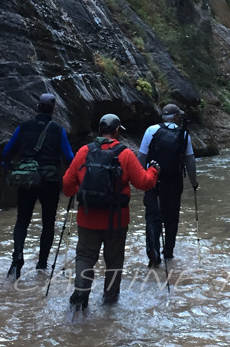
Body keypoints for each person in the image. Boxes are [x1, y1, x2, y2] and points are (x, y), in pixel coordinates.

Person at [62, 113, 159, 310]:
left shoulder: (83, 152)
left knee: (85, 255)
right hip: (116, 220)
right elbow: (144, 183)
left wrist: (77, 193)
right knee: (114, 260)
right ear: (116, 131)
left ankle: (81, 292)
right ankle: (109, 303)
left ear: (100, 130)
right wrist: (154, 171)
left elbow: (67, 184)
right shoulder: (125, 154)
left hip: (87, 216)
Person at [2, 93, 74, 277]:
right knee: (48, 223)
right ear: (53, 110)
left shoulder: (23, 127)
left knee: (22, 221)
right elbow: (69, 158)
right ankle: (41, 265)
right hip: (49, 181)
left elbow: (7, 152)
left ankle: (17, 256)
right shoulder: (58, 131)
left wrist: (8, 165)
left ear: (37, 107)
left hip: (27, 180)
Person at [138, 104, 198, 267]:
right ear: (176, 116)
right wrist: (194, 182)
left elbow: (142, 157)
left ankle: (153, 254)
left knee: (152, 217)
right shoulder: (183, 134)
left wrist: (139, 179)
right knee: (171, 219)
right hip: (174, 182)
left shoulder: (151, 130)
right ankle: (169, 254)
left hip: (153, 180)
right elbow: (190, 161)